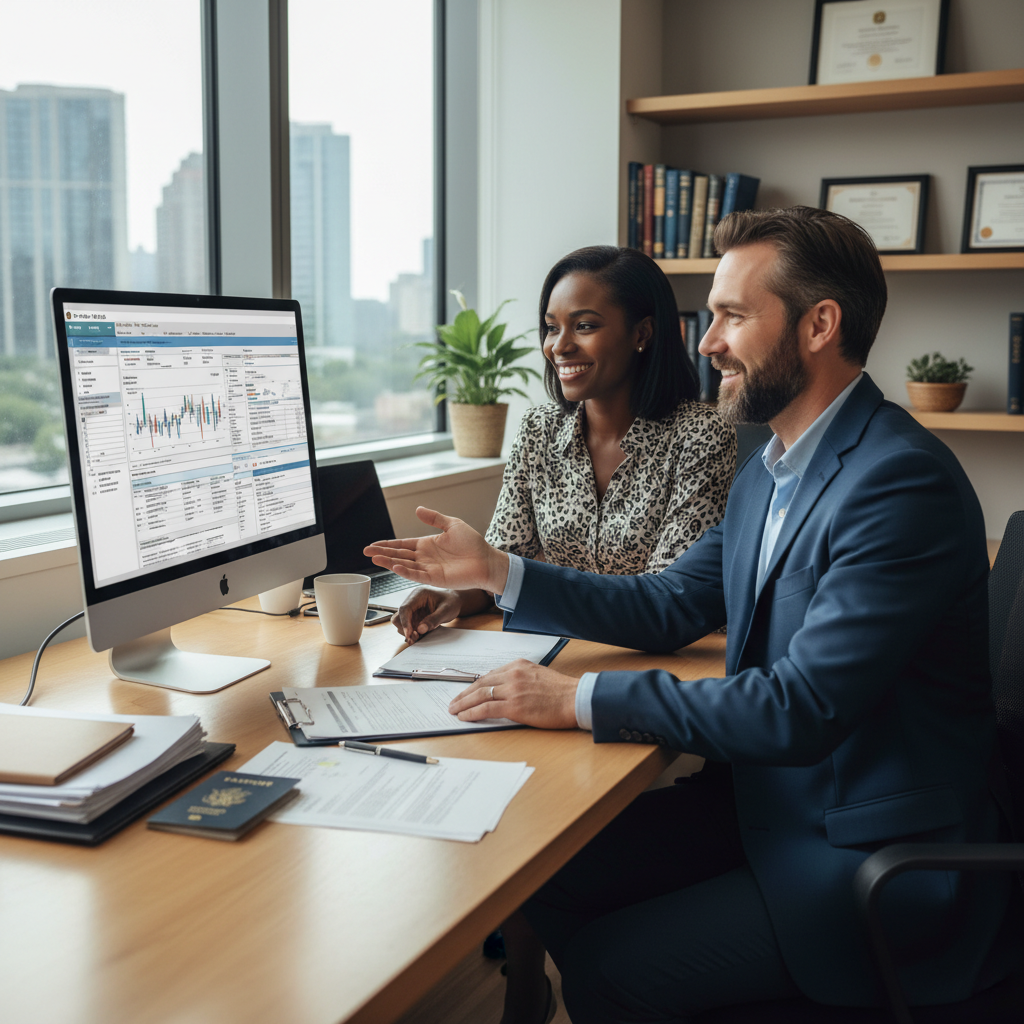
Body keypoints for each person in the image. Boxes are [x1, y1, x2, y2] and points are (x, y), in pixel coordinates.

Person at [365, 207, 1017, 1023]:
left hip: (864, 854)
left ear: (820, 325)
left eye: (733, 316)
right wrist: (500, 571)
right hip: (769, 804)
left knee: (610, 969)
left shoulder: (896, 483)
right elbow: (670, 601)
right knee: (545, 873)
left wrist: (575, 699)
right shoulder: (774, 469)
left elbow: (800, 708)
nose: (707, 342)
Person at [392, 245, 736, 645]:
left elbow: (664, 602)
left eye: (584, 326)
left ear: (641, 333)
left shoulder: (701, 435)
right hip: (561, 651)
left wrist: (502, 574)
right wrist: (453, 594)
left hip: (667, 662)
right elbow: (499, 565)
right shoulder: (537, 430)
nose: (559, 346)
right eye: (552, 327)